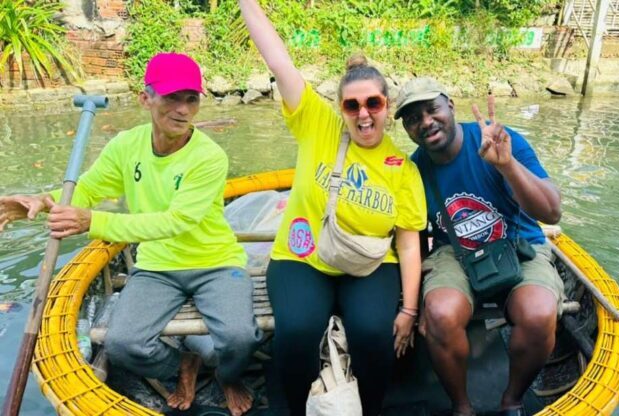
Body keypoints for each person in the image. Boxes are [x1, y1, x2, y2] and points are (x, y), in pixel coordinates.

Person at [0, 53, 262, 416]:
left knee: (239, 339)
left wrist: (93, 222)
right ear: (146, 98)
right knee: (123, 345)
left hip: (216, 263)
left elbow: (175, 221)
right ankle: (181, 366)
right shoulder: (126, 146)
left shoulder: (209, 156)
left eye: (192, 98)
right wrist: (43, 201)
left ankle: (229, 377)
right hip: (157, 267)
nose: (183, 109)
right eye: (172, 97)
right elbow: (86, 191)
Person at [238, 1, 427, 415]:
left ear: (387, 107)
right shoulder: (317, 124)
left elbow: (409, 244)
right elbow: (279, 60)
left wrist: (409, 310)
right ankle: (297, 408)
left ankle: (371, 409)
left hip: (372, 262)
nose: (363, 114)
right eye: (352, 105)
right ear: (340, 108)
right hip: (303, 257)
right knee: (297, 331)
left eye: (373, 104)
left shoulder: (402, 168)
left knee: (374, 333)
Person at [395, 78, 565, 416]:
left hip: (518, 243)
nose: (426, 122)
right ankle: (462, 407)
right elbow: (412, 237)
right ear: (408, 129)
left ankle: (512, 400)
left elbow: (551, 212)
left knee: (539, 313)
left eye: (432, 110)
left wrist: (506, 165)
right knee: (441, 313)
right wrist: (417, 304)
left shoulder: (500, 140)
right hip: (455, 254)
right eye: (413, 118)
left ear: (451, 107)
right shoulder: (412, 171)